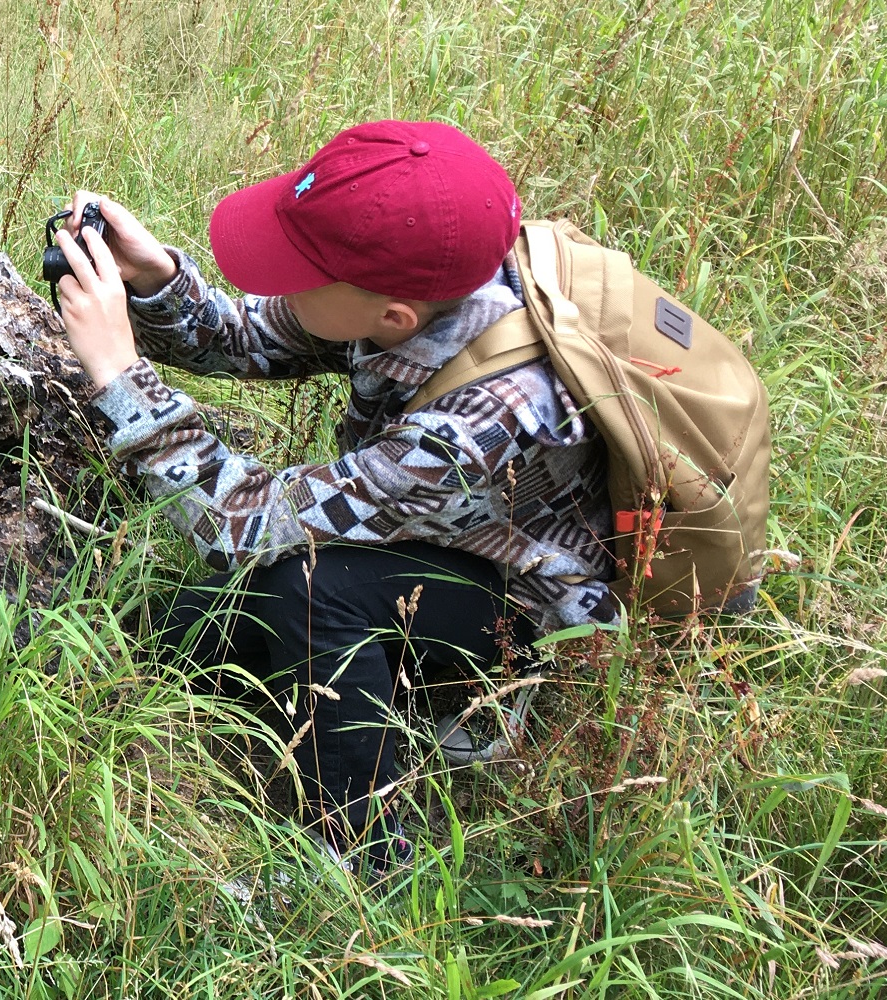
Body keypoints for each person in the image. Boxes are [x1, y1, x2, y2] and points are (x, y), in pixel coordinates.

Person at [48, 120, 616, 873]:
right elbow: (247, 335)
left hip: (528, 603)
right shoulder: (421, 292)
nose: (277, 281)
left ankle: (362, 855)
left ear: (393, 317)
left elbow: (241, 523)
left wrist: (120, 379)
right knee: (168, 635)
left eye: (298, 270)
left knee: (308, 590)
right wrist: (154, 277)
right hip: (438, 534)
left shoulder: (476, 425)